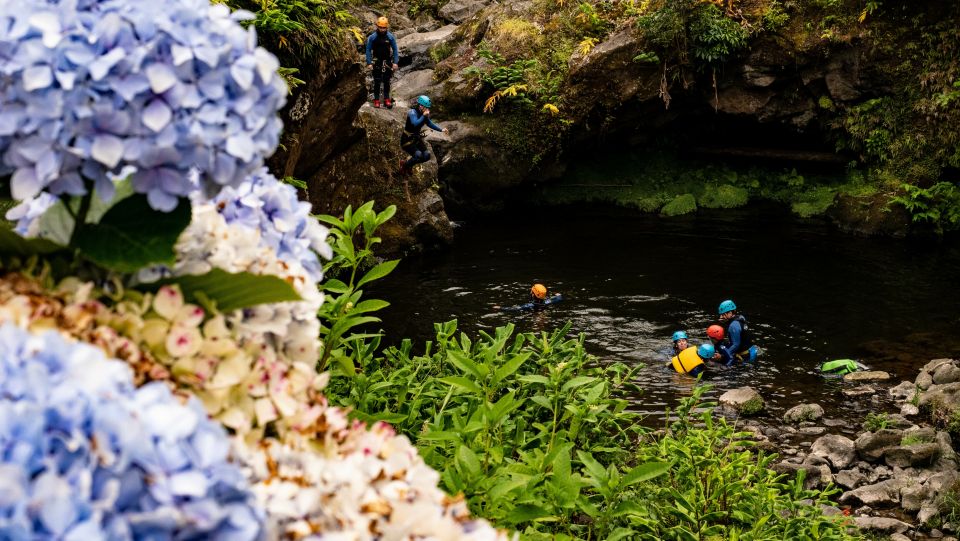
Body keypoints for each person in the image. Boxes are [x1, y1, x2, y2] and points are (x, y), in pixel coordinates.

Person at [399, 95, 448, 175]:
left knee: (426, 156)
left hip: (416, 139)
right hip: (407, 139)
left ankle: (409, 164)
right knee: (418, 155)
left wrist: (441, 130)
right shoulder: (412, 112)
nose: (427, 109)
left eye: (428, 107)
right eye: (426, 107)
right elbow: (415, 123)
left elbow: (429, 123)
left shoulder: (423, 114)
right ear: (421, 106)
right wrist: (424, 116)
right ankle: (404, 165)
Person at [365, 16, 399, 109]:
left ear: (387, 27)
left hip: (387, 61)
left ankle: (386, 99)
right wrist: (369, 63)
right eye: (380, 27)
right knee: (377, 81)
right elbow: (368, 50)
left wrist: (395, 62)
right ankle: (376, 100)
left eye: (384, 28)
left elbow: (395, 49)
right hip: (376, 61)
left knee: (387, 81)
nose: (382, 29)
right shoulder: (373, 37)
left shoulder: (390, 37)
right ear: (377, 26)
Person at [716, 299, 758, 365]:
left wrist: (722, 355)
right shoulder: (741, 317)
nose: (721, 317)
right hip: (752, 350)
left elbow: (736, 345)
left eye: (723, 315)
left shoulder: (733, 326)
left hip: (746, 357)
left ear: (730, 313)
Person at [496, 283, 563, 312]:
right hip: (544, 313)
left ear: (533, 295)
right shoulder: (548, 301)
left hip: (535, 316)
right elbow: (559, 298)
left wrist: (500, 308)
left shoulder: (529, 305)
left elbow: (514, 309)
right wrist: (557, 294)